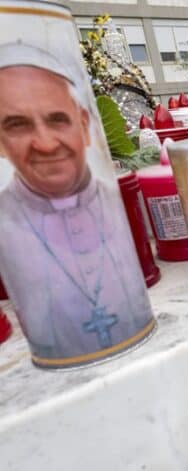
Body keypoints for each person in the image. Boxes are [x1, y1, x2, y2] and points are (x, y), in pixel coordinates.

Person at [0, 43, 154, 366]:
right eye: (18, 125)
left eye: (58, 120)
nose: (44, 143)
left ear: (84, 125)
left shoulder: (115, 202)